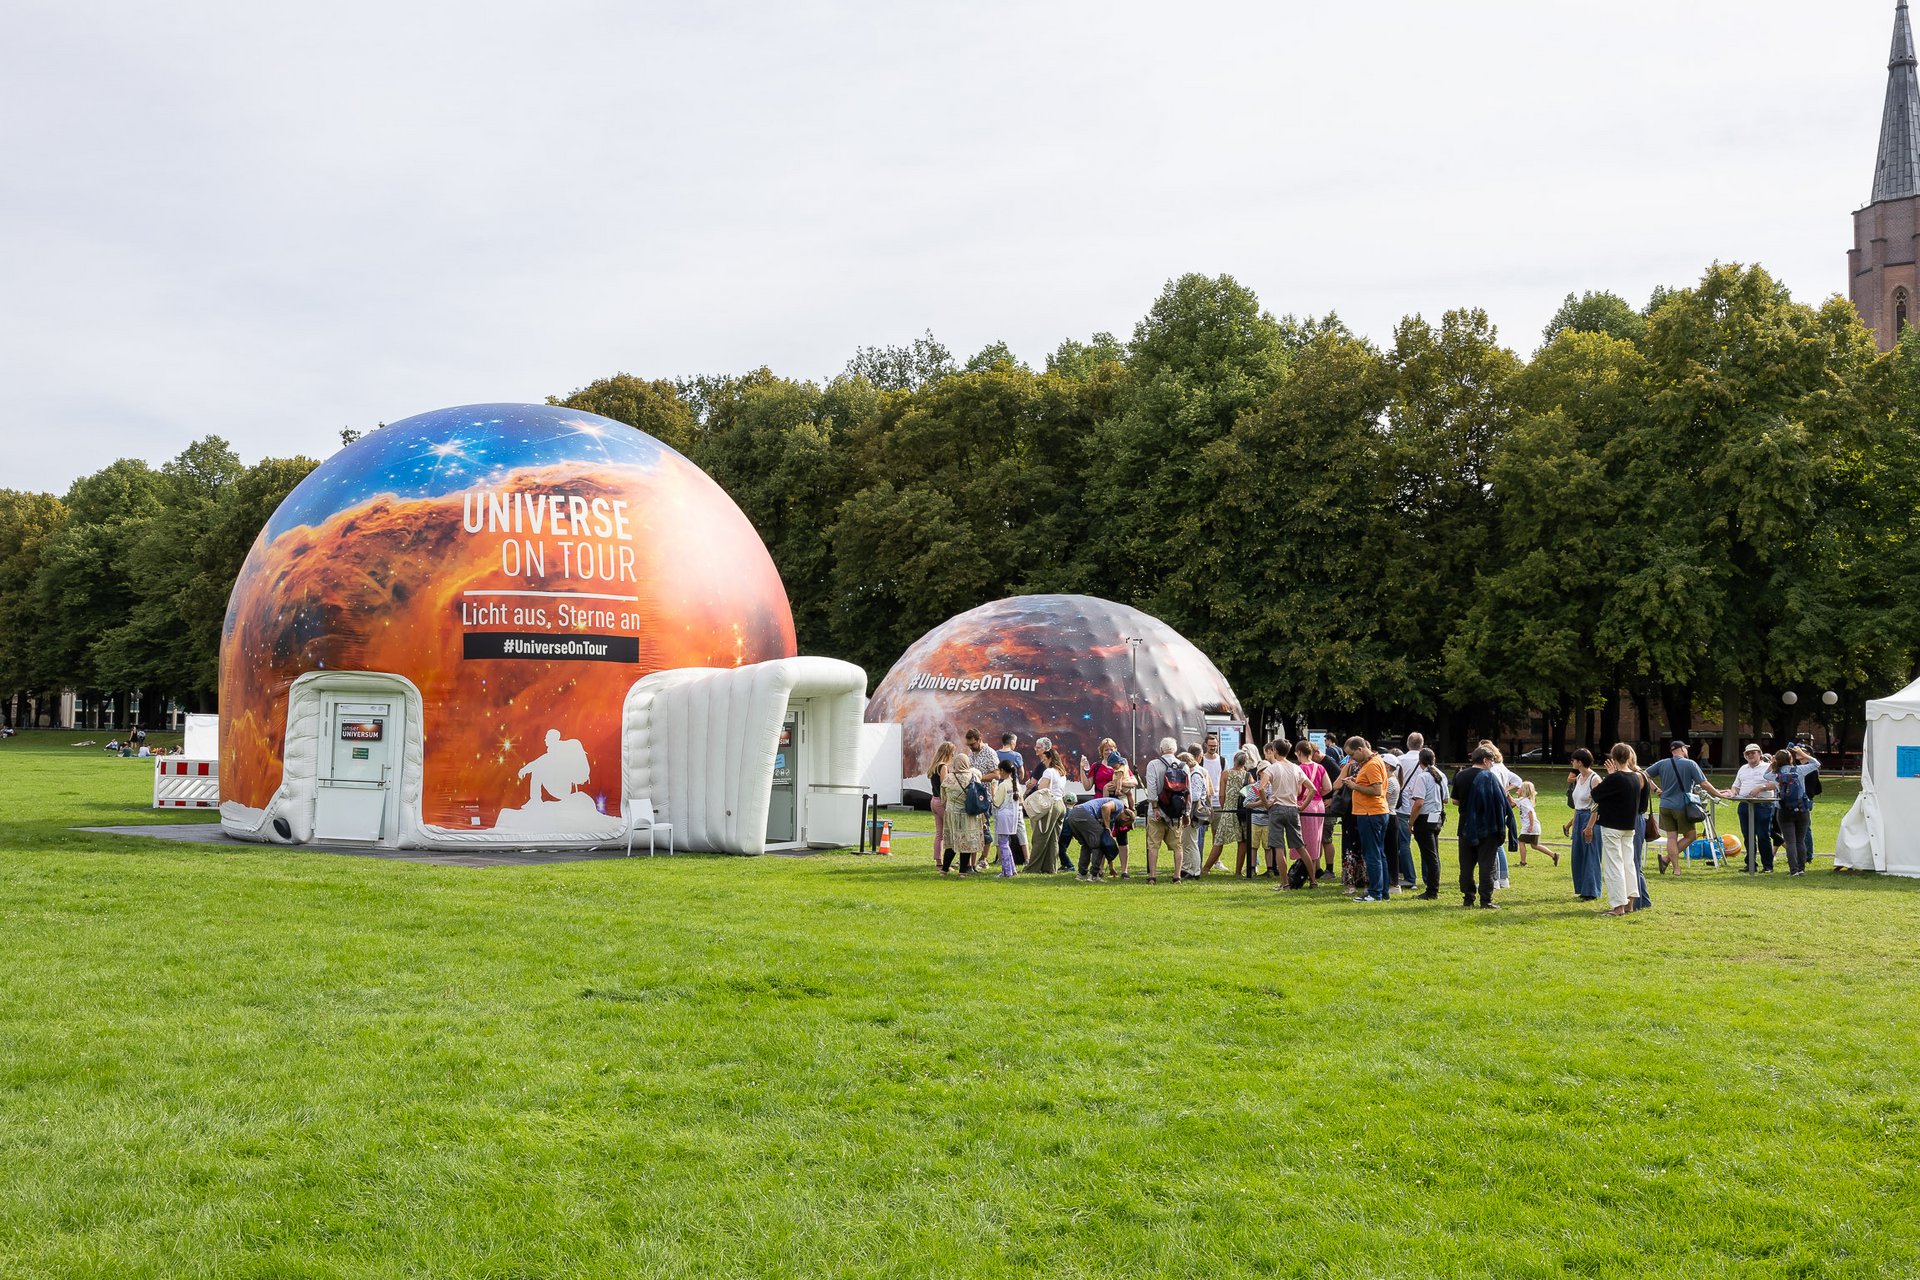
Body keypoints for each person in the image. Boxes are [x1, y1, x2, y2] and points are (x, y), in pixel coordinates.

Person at [1586, 743, 1648, 916]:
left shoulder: (1615, 778)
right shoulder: (1636, 777)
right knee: (1628, 864)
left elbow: (1596, 794)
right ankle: (1630, 903)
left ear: (1613, 758)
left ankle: (1618, 907)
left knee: (1614, 866)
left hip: (1612, 826)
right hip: (1629, 827)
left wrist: (1611, 776)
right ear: (1628, 757)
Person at [1456, 746, 1517, 909]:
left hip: (1465, 826)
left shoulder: (1461, 776)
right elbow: (1500, 802)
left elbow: (1455, 800)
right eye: (1491, 761)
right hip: (1488, 827)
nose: (1492, 764)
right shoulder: (1490, 778)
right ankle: (1486, 900)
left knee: (1466, 866)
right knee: (1487, 865)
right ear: (1485, 760)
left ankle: (1468, 898)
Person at [1339, 737, 1392, 902]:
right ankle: (1382, 892)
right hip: (1376, 812)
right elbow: (1372, 785)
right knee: (1379, 853)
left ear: (1360, 749)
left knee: (1372, 854)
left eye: (1352, 754)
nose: (1352, 758)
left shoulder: (1372, 764)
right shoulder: (1373, 762)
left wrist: (1355, 786)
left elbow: (1376, 790)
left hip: (1370, 814)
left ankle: (1375, 893)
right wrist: (1356, 781)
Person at [1645, 740, 1707, 874]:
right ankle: (1667, 860)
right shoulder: (1690, 764)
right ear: (1683, 749)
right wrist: (1719, 793)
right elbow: (1704, 783)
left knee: (1671, 837)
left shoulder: (1662, 763)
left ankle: (1675, 868)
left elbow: (1644, 775)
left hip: (1665, 805)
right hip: (1681, 806)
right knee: (1691, 835)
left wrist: (1656, 790)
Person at [1717, 743, 1778, 874]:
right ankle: (1750, 864)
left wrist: (1760, 788)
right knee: (1748, 835)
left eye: (1753, 753)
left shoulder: (1768, 767)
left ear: (1760, 754)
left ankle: (1767, 865)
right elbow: (1736, 786)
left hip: (1763, 804)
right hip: (1744, 804)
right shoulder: (1743, 768)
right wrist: (1732, 793)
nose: (1750, 755)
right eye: (1748, 753)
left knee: (1763, 835)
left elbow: (1776, 784)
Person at [1142, 738, 1188, 884]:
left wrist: (1155, 807)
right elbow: (1188, 792)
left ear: (1161, 749)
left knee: (1153, 844)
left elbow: (1152, 788)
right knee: (1177, 846)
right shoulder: (1184, 766)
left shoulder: (1153, 764)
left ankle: (1152, 876)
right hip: (1176, 812)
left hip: (1158, 811)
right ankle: (1177, 876)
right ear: (1175, 750)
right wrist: (1186, 812)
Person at [1403, 747, 1447, 899]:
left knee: (1430, 856)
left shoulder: (1422, 777)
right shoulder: (1441, 775)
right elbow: (1445, 799)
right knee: (1434, 855)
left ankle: (1432, 890)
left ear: (1420, 761)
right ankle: (1433, 887)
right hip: (1437, 817)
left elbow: (1419, 803)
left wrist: (1410, 822)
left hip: (1424, 818)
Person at [1263, 740, 1308, 887]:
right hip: (1292, 808)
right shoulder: (1296, 768)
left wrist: (1266, 803)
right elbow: (1312, 788)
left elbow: (1262, 788)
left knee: (1278, 847)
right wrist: (1302, 806)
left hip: (1277, 808)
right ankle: (1313, 881)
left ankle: (1284, 883)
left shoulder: (1272, 768)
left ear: (1275, 750)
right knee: (1300, 846)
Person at [1562, 748, 1603, 901]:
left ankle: (1592, 891)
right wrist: (1570, 824)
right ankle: (1582, 888)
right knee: (1578, 855)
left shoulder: (1595, 779)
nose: (1572, 763)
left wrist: (1589, 827)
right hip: (1579, 817)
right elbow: (1578, 804)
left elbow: (1598, 805)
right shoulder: (1579, 777)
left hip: (1591, 819)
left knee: (1591, 855)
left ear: (1580, 762)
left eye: (1573, 760)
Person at [939, 752, 986, 875]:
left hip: (952, 814)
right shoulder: (974, 777)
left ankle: (944, 870)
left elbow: (943, 798)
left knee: (952, 842)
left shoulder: (948, 778)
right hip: (969, 814)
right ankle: (963, 872)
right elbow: (979, 796)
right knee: (967, 842)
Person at [1391, 733, 1428, 889]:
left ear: (1407, 744)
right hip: (1423, 807)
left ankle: (1410, 877)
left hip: (1404, 807)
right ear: (1422, 744)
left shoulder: (1400, 761)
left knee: (1404, 844)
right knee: (1427, 846)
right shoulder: (1427, 762)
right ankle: (1429, 877)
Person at [1771, 748, 1814, 877]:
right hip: (1801, 809)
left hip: (1784, 809)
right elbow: (1816, 764)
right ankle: (1801, 869)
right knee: (1800, 841)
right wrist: (1802, 753)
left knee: (1790, 842)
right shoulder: (1799, 770)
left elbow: (1765, 776)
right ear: (1791, 759)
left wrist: (1772, 763)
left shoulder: (1776, 774)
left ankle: (1793, 870)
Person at [1208, 748, 1252, 877]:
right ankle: (1238, 871)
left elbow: (1221, 795)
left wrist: (1224, 807)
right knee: (1242, 841)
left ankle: (1206, 868)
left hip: (1229, 810)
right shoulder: (1248, 776)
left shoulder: (1226, 774)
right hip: (1242, 812)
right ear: (1245, 762)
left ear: (1234, 760)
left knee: (1219, 840)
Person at [1293, 739, 1331, 887]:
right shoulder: (1320, 767)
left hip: (1303, 804)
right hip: (1318, 804)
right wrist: (1317, 794)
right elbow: (1328, 787)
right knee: (1315, 840)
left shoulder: (1298, 768)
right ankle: (1313, 873)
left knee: (1303, 841)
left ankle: (1304, 873)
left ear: (1299, 753)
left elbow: (1296, 790)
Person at [1069, 792, 1126, 882]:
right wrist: (1107, 828)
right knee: (1098, 843)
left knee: (1086, 845)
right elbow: (1105, 807)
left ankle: (1082, 874)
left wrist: (1111, 867)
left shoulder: (1111, 818)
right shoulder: (1120, 804)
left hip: (1073, 814)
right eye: (1126, 823)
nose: (1123, 825)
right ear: (1127, 817)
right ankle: (1094, 875)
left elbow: (1107, 844)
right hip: (1083, 813)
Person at [1790, 745, 1822, 870]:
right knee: (1802, 828)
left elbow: (1810, 788)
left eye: (1802, 751)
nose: (1798, 753)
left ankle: (1808, 854)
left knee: (1805, 829)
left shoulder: (1810, 768)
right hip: (1799, 800)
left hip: (1805, 800)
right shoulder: (1801, 767)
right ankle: (1803, 854)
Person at [1180, 748, 1211, 879]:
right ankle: (1188, 867)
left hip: (1194, 812)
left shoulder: (1195, 775)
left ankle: (1194, 870)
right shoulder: (1194, 774)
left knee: (1191, 842)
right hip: (1192, 811)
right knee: (1187, 841)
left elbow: (1196, 796)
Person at [926, 742, 956, 870]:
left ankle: (939, 861)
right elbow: (945, 786)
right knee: (951, 831)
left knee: (939, 833)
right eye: (952, 752)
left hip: (934, 800)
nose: (953, 755)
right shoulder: (943, 767)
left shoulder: (934, 767)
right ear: (948, 753)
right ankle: (947, 863)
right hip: (942, 802)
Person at [990, 762, 1022, 878]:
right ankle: (1011, 869)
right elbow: (1020, 800)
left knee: (1003, 844)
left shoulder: (1003, 785)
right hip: (1013, 815)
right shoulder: (1016, 784)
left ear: (1002, 770)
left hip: (1003, 816)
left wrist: (993, 791)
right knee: (1006, 843)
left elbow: (996, 802)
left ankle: (1007, 871)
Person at [1512, 781, 1553, 867]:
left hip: (1530, 826)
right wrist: (1507, 793)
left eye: (1520, 788)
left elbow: (1530, 812)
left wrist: (1530, 826)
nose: (1518, 789)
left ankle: (1523, 862)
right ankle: (1554, 855)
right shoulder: (1523, 800)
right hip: (1534, 826)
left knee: (1521, 841)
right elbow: (1512, 801)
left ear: (1524, 790)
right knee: (1534, 845)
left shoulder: (1525, 801)